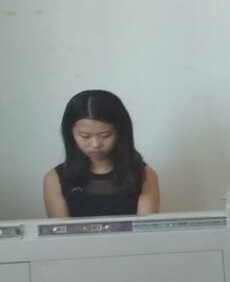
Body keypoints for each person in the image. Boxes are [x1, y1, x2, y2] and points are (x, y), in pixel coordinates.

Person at [43, 89, 159, 217]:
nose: (95, 144)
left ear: (120, 132)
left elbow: (145, 227)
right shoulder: (55, 179)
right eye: (85, 136)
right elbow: (60, 228)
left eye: (105, 135)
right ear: (70, 134)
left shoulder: (143, 175)